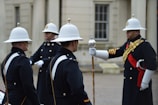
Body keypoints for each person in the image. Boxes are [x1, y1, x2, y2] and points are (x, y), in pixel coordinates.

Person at [89, 16, 157, 105]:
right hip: (129, 84)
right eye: (127, 31)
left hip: (139, 84)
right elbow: (116, 52)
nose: (127, 33)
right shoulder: (128, 44)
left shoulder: (145, 45)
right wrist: (96, 53)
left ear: (137, 31)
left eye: (129, 31)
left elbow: (152, 64)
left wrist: (145, 82)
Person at [46, 19, 92, 105]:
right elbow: (77, 89)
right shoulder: (70, 62)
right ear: (74, 42)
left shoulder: (53, 60)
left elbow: (49, 87)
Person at [1, 26, 40, 105]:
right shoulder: (23, 61)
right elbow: (28, 87)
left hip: (7, 100)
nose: (27, 44)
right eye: (26, 42)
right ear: (21, 43)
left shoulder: (6, 60)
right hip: (21, 101)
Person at [30, 22, 61, 104]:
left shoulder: (57, 46)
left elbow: (56, 58)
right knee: (40, 95)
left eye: (47, 33)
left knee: (49, 97)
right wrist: (30, 60)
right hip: (42, 75)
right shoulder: (44, 45)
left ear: (53, 34)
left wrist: (44, 61)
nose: (45, 35)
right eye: (45, 33)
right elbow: (36, 55)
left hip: (50, 74)